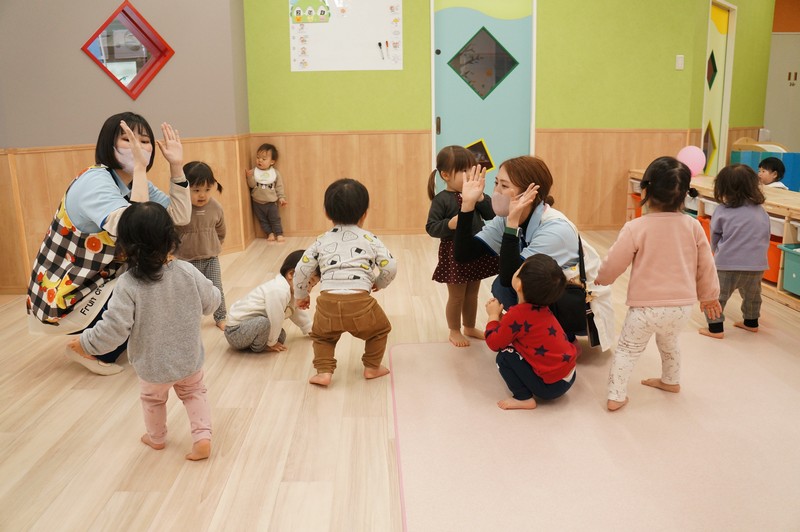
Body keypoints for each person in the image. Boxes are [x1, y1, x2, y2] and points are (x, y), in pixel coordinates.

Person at [27, 112, 191, 376]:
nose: (138, 146)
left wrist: (176, 166)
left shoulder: (135, 183)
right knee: (148, 285)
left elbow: (179, 217)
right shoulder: (95, 181)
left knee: (164, 274)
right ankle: (88, 348)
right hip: (67, 293)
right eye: (128, 139)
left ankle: (110, 340)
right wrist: (140, 168)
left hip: (99, 281)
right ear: (108, 144)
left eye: (145, 141)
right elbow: (135, 230)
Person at [66, 202, 220, 460]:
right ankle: (202, 437)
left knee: (153, 400)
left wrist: (85, 343)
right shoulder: (187, 271)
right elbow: (211, 302)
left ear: (126, 246)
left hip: (152, 366)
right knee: (194, 393)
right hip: (189, 359)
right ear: (171, 238)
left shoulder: (128, 284)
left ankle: (156, 438)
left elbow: (113, 329)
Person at [595, 156, 722, 412]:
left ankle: (616, 396)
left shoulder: (636, 227)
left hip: (645, 309)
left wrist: (602, 279)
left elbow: (615, 261)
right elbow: (706, 264)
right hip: (681, 308)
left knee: (628, 350)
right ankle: (671, 380)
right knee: (669, 342)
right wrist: (709, 296)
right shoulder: (693, 226)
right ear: (685, 194)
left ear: (645, 189)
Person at [454, 155, 614, 351]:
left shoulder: (556, 229)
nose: (496, 191)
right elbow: (464, 254)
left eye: (504, 186)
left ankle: (564, 337)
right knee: (503, 288)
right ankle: (537, 332)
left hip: (578, 308)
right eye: (496, 183)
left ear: (529, 193)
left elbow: (510, 278)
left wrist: (511, 226)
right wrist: (467, 205)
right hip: (553, 296)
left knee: (507, 287)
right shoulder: (508, 217)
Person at [293, 178, 396, 387]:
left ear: (327, 213)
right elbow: (390, 266)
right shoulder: (370, 239)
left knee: (323, 337)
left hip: (327, 303)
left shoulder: (321, 240)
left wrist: (301, 295)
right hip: (360, 303)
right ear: (364, 213)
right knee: (379, 330)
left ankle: (323, 372)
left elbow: (301, 269)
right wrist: (379, 282)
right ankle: (372, 367)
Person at [485, 254, 579, 411]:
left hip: (551, 388)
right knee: (515, 343)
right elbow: (522, 330)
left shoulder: (517, 315)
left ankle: (523, 398)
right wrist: (502, 320)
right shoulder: (544, 307)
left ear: (519, 284)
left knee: (504, 356)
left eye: (519, 269)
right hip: (570, 374)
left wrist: (493, 316)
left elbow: (494, 343)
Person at [426, 145, 498, 347]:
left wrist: (481, 198)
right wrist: (449, 224)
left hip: (476, 248)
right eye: (464, 171)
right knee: (457, 296)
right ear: (446, 175)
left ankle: (469, 326)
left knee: (472, 294)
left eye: (471, 169)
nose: (470, 175)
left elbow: (491, 214)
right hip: (454, 253)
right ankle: (454, 330)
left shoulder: (475, 195)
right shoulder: (441, 200)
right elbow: (431, 227)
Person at [699, 164, 770, 339]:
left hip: (727, 264)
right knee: (753, 296)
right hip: (756, 265)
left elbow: (715, 236)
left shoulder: (722, 210)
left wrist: (713, 255)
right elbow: (765, 235)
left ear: (723, 187)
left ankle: (715, 328)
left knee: (717, 296)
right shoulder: (761, 211)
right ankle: (751, 323)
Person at [224, 249, 319, 353]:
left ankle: (256, 343)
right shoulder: (279, 290)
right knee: (266, 326)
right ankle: (259, 347)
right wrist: (271, 342)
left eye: (312, 285)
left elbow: (295, 312)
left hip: (249, 327)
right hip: (235, 331)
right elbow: (276, 318)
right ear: (291, 274)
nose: (309, 289)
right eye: (308, 282)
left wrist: (309, 328)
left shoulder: (290, 291)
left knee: (281, 336)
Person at [175, 161, 227, 330]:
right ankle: (189, 320)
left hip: (210, 258)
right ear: (185, 188)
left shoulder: (215, 207)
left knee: (216, 288)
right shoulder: (181, 208)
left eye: (207, 189)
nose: (202, 195)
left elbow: (221, 230)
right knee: (188, 292)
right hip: (185, 261)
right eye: (196, 190)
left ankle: (221, 317)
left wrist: (215, 244)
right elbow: (171, 232)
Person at [246, 143, 287, 242]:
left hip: (271, 203)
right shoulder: (254, 172)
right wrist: (249, 177)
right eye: (258, 157)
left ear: (272, 161)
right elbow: (251, 185)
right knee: (262, 220)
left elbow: (279, 187)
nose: (260, 160)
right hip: (257, 202)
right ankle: (269, 233)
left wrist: (281, 197)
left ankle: (279, 234)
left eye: (264, 159)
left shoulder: (275, 173)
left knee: (275, 219)